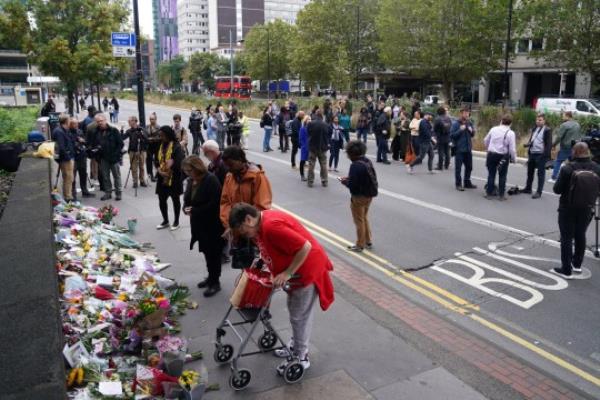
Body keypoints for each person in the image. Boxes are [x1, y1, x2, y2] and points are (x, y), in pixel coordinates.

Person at [228, 203, 334, 372]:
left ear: (248, 219)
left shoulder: (271, 227)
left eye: (244, 231)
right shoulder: (261, 223)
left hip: (306, 270)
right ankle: (296, 346)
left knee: (299, 316)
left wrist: (287, 273)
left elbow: (304, 246)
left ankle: (301, 356)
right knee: (296, 313)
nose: (246, 236)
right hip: (297, 271)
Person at [552, 142, 600, 278]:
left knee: (566, 237)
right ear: (587, 152)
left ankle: (566, 269)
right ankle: (577, 265)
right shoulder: (597, 168)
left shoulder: (568, 168)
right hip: (587, 207)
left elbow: (557, 190)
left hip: (568, 207)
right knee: (580, 235)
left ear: (575, 152)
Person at [182, 156, 226, 297]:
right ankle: (210, 277)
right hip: (199, 224)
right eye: (186, 171)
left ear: (197, 168)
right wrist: (185, 207)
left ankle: (215, 282)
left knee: (214, 254)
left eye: (189, 170)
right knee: (207, 252)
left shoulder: (210, 180)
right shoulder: (191, 180)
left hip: (212, 225)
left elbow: (215, 204)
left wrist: (194, 210)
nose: (188, 173)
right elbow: (187, 199)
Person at [220, 146, 273, 232]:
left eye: (231, 164)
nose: (229, 168)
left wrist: (245, 226)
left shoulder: (257, 177)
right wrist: (229, 224)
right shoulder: (229, 177)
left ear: (240, 160)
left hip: (252, 229)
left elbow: (262, 205)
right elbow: (225, 202)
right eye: (226, 165)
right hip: (236, 228)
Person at [340, 140, 378, 252]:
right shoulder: (367, 161)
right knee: (364, 217)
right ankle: (368, 240)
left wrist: (344, 182)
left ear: (351, 153)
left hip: (359, 197)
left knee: (358, 221)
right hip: (369, 195)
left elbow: (353, 187)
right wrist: (350, 178)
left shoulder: (355, 166)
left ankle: (359, 245)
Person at [155, 126, 185, 230]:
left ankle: (176, 221)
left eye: (162, 135)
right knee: (161, 200)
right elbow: (156, 160)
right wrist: (159, 171)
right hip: (161, 177)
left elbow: (179, 163)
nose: (161, 137)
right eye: (160, 135)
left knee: (175, 200)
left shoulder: (176, 146)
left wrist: (169, 168)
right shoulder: (160, 144)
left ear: (168, 135)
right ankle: (165, 221)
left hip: (174, 178)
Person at [483, 114, 517, 200]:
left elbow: (485, 140)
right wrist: (513, 159)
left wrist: (488, 148)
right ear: (510, 123)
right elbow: (512, 149)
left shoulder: (493, 129)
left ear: (501, 121)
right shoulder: (511, 133)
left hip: (491, 154)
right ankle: (501, 195)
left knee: (491, 174)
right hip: (503, 157)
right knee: (502, 176)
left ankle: (489, 194)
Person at [93, 114, 124, 201]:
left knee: (116, 176)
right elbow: (94, 144)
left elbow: (120, 144)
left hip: (114, 158)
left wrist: (116, 154)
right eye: (98, 122)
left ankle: (118, 193)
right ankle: (108, 192)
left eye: (101, 121)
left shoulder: (114, 130)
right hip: (103, 158)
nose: (100, 123)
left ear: (105, 120)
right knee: (105, 177)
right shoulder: (96, 132)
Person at [522, 113, 552, 198]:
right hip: (532, 153)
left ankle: (539, 192)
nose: (538, 121)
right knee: (530, 172)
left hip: (540, 155)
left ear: (544, 121)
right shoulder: (535, 128)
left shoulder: (547, 130)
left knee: (540, 174)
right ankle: (528, 188)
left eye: (540, 120)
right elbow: (532, 139)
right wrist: (528, 144)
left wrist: (544, 156)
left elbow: (549, 145)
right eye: (537, 120)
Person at [450, 108, 477, 191]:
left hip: (468, 149)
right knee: (458, 168)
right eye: (465, 113)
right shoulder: (456, 124)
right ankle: (458, 184)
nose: (466, 114)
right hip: (459, 149)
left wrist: (472, 131)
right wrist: (460, 130)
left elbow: (472, 135)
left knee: (469, 167)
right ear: (461, 114)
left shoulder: (469, 123)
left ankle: (467, 182)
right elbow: (452, 135)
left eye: (468, 113)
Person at [551, 111, 582, 182]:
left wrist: (554, 145)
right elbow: (579, 136)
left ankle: (554, 177)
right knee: (574, 162)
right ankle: (576, 177)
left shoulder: (564, 125)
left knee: (558, 161)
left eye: (563, 115)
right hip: (575, 147)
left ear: (568, 116)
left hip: (566, 146)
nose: (562, 117)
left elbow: (559, 137)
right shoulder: (577, 124)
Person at [69, 117, 94, 200]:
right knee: (73, 176)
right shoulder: (68, 133)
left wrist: (83, 141)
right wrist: (76, 143)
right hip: (74, 157)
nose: (76, 125)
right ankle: (73, 193)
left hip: (82, 156)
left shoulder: (80, 131)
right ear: (70, 124)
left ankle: (85, 191)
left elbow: (85, 142)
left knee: (83, 174)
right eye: (74, 124)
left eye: (77, 123)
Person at [52, 114, 76, 202]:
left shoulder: (63, 130)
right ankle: (68, 197)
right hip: (65, 159)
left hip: (67, 157)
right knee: (68, 178)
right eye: (69, 120)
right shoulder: (59, 132)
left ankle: (68, 196)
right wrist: (68, 158)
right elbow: (61, 147)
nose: (70, 121)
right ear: (66, 121)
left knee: (69, 178)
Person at [306, 109, 330, 187]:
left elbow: (308, 133)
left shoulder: (311, 124)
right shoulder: (326, 125)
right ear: (322, 115)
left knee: (311, 165)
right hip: (323, 147)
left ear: (316, 115)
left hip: (313, 146)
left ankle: (310, 181)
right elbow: (328, 136)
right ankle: (324, 181)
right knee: (323, 165)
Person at [125, 116, 148, 189]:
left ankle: (142, 180)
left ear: (135, 121)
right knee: (133, 167)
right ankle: (135, 181)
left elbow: (146, 139)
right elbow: (122, 137)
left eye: (130, 121)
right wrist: (122, 130)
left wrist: (141, 133)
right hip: (132, 151)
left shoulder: (141, 129)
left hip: (141, 151)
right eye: (128, 121)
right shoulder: (129, 131)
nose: (128, 122)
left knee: (141, 167)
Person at [146, 113, 161, 183]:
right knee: (148, 160)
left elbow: (160, 137)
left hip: (157, 146)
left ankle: (157, 174)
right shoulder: (147, 127)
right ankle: (150, 174)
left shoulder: (159, 127)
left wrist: (153, 139)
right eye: (150, 119)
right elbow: (145, 135)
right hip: (149, 146)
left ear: (156, 119)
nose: (151, 120)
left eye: (152, 119)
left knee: (157, 160)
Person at [299, 115, 310, 181]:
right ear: (305, 120)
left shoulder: (311, 128)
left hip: (311, 147)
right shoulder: (302, 128)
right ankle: (302, 175)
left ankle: (310, 175)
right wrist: (303, 145)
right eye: (308, 119)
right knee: (302, 161)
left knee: (310, 162)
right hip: (304, 147)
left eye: (310, 119)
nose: (309, 120)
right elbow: (300, 138)